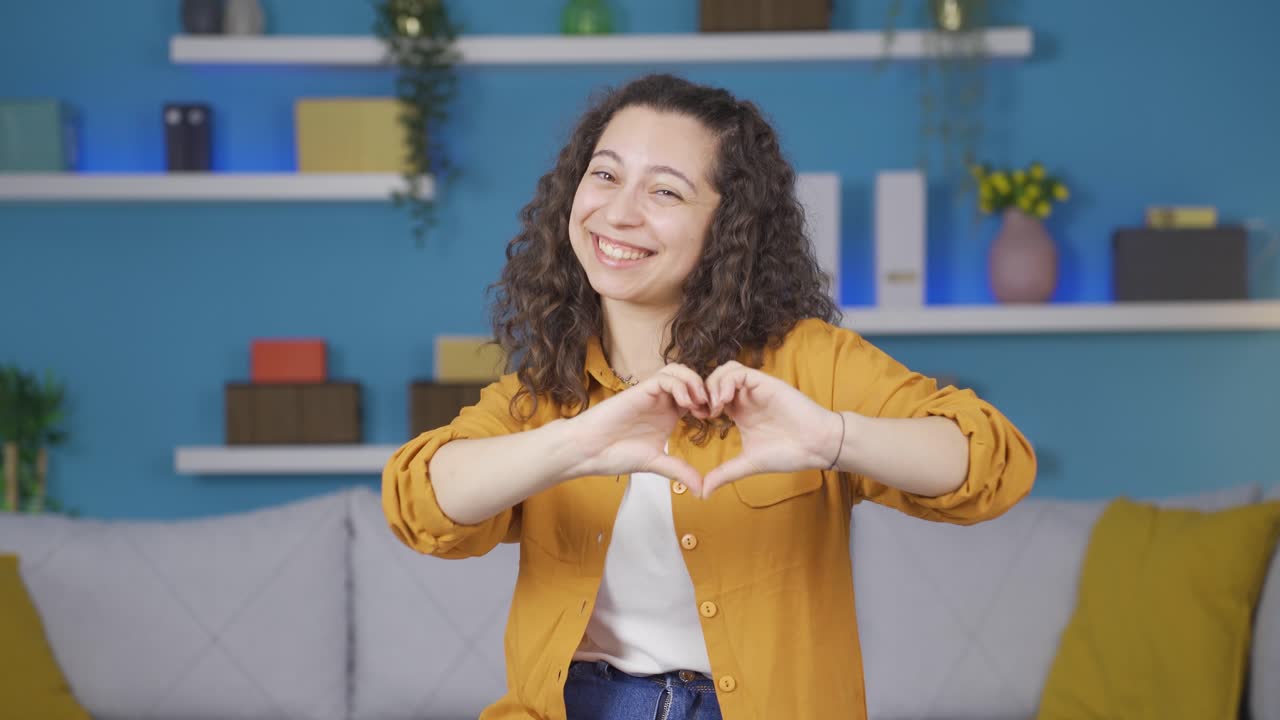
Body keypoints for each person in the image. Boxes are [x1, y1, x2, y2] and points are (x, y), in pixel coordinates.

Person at [383, 73, 1036, 720]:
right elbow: (420, 504)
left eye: (665, 190)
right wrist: (575, 444)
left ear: (729, 228)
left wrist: (833, 438)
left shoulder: (808, 363)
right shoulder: (549, 391)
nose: (619, 212)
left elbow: (991, 467)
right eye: (605, 175)